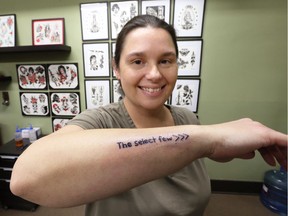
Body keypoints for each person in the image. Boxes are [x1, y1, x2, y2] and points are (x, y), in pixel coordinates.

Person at [11, 15, 287, 216]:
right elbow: (25, 179)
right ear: (116, 69)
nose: (154, 74)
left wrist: (211, 143)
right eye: (137, 61)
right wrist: (209, 138)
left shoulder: (188, 119)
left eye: (166, 60)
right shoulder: (99, 122)